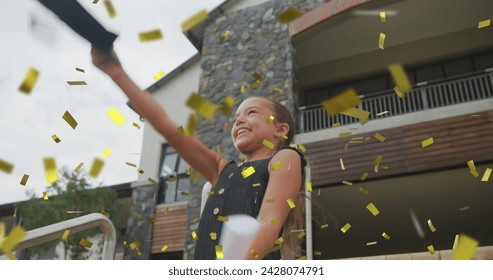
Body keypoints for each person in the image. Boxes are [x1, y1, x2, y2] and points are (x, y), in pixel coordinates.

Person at [91, 48, 307, 260]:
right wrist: (117, 73)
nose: (239, 120)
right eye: (236, 118)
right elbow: (168, 128)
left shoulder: (286, 158)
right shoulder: (223, 170)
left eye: (251, 113)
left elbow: (268, 222)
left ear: (280, 129)